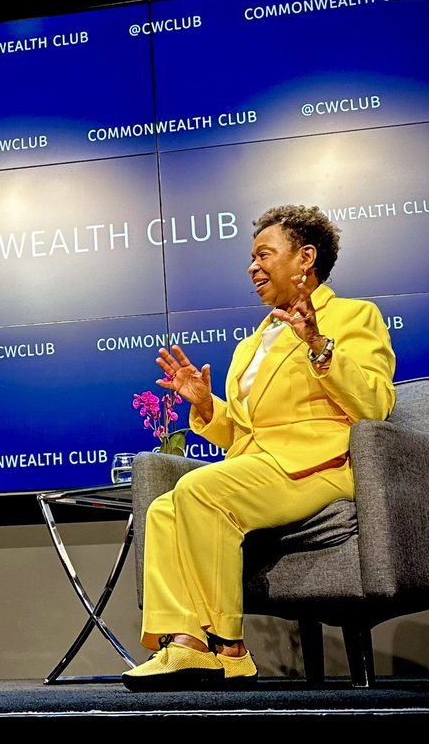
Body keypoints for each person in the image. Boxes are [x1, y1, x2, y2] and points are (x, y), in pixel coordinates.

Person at [122, 204, 396, 691]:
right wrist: (206, 407)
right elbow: (244, 430)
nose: (253, 267)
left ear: (304, 259)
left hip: (319, 465)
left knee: (200, 490)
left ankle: (228, 649)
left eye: (264, 254)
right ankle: (186, 643)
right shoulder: (253, 342)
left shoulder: (354, 316)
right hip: (260, 465)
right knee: (164, 508)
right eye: (252, 258)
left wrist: (318, 345)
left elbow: (374, 405)